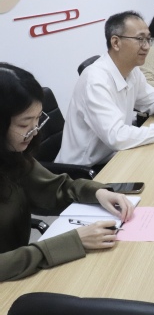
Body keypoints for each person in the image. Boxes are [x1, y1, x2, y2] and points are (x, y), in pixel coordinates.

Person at [0, 63, 135, 282]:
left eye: (38, 119)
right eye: (24, 125)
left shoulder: (11, 155)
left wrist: (98, 193)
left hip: (20, 276)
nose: (34, 132)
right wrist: (71, 242)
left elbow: (56, 188)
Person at [56, 10, 154, 168]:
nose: (146, 46)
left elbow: (151, 100)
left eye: (148, 39)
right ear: (116, 43)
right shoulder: (95, 81)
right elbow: (117, 136)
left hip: (115, 155)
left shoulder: (132, 70)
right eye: (140, 39)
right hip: (84, 170)